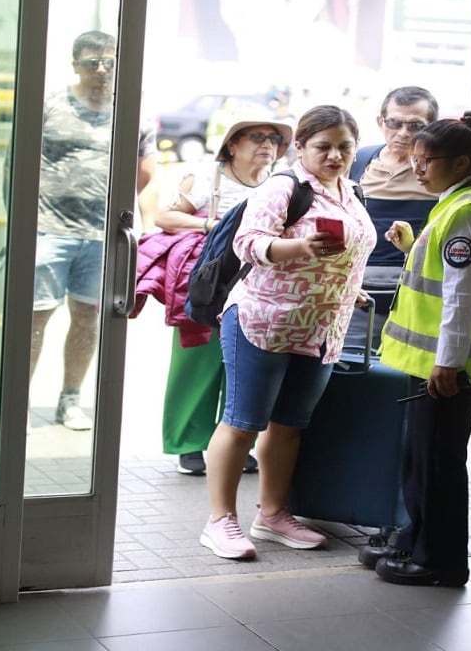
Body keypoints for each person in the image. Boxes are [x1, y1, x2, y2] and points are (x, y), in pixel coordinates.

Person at [199, 105, 375, 560]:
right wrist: (300, 246)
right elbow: (249, 242)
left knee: (289, 425)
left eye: (344, 147)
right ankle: (220, 521)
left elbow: (348, 252)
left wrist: (347, 287)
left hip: (320, 326)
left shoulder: (350, 191)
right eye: (323, 146)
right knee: (241, 422)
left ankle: (272, 515)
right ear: (300, 147)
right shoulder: (284, 187)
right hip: (264, 320)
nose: (335, 155)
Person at [362, 111, 471, 588]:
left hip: (444, 370)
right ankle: (416, 536)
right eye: (415, 159)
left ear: (461, 162)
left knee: (438, 464)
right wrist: (410, 248)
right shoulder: (453, 203)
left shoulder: (466, 212)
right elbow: (442, 277)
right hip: (429, 364)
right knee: (420, 458)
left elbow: (461, 296)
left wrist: (448, 362)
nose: (417, 168)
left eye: (427, 161)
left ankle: (439, 560)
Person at [28, 30, 157, 431]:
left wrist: (149, 230)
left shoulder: (134, 113)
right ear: (75, 66)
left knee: (87, 319)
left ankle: (70, 400)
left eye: (109, 62)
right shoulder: (48, 104)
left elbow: (147, 178)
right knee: (34, 319)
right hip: (48, 230)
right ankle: (18, 401)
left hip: (102, 236)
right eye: (91, 63)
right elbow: (15, 167)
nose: (101, 70)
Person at [153, 118, 293, 475]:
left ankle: (230, 443)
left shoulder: (277, 184)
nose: (267, 144)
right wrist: (208, 225)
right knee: (196, 363)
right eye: (257, 137)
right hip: (209, 283)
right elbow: (163, 216)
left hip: (255, 287)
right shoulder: (207, 178)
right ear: (232, 144)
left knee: (240, 365)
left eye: (274, 139)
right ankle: (188, 444)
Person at [346, 86, 441, 347]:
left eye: (414, 125)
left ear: (432, 127)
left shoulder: (440, 172)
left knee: (406, 376)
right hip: (357, 290)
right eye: (394, 123)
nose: (403, 133)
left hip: (417, 289)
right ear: (380, 122)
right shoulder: (358, 161)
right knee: (353, 368)